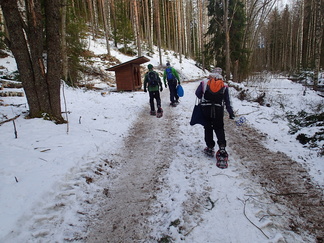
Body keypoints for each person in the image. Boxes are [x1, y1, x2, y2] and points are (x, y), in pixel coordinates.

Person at [195, 72, 235, 157]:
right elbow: (227, 100)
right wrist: (230, 112)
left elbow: (198, 94)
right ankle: (222, 148)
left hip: (206, 108)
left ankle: (210, 147)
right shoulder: (224, 85)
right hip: (218, 109)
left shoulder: (204, 82)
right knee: (219, 128)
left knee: (208, 128)